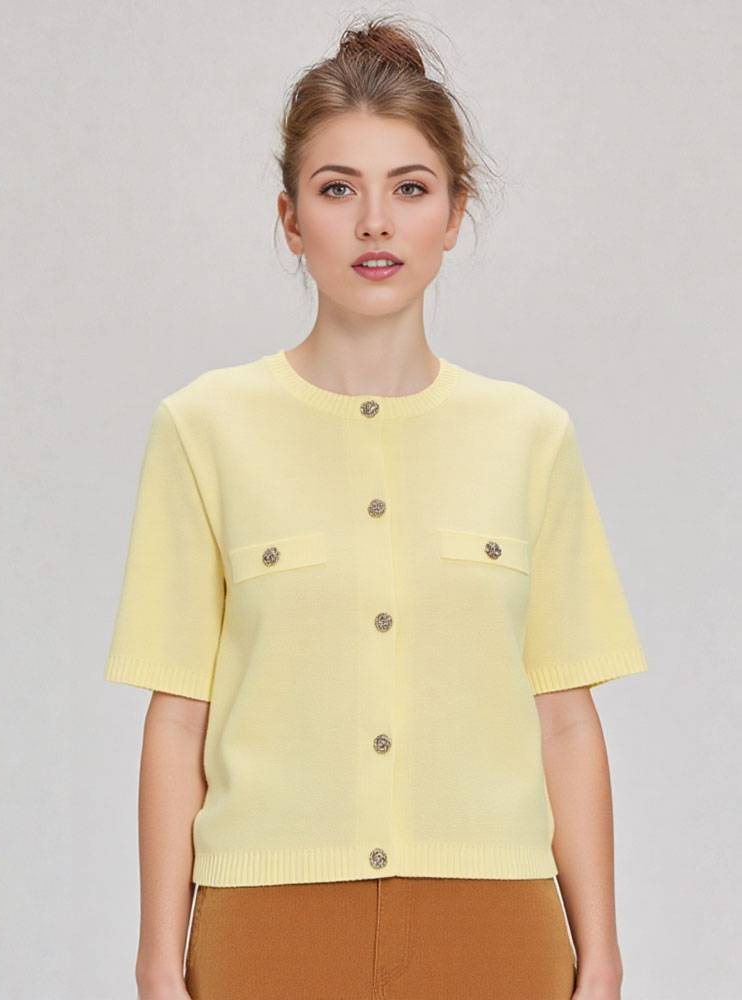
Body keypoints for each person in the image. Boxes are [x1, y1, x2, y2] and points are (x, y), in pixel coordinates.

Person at [104, 14, 649, 1000]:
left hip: (497, 926)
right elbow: (178, 718)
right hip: (266, 926)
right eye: (337, 189)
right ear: (290, 219)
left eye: (409, 188)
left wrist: (602, 957)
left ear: (454, 212)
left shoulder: (530, 436)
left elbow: (566, 718)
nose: (375, 224)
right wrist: (156, 961)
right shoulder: (204, 427)